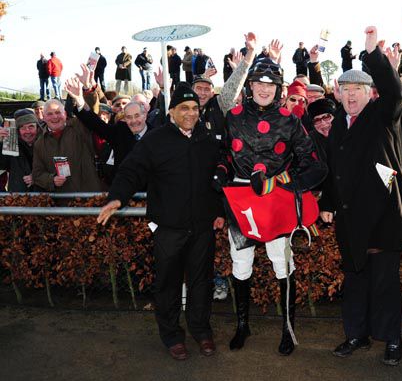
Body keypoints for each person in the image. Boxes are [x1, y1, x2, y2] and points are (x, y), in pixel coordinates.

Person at [96, 83, 225, 361]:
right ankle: (171, 335)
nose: (190, 113)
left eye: (194, 108)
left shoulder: (208, 139)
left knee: (201, 283)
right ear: (171, 112)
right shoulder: (155, 140)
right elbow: (131, 170)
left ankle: (201, 330)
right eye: (184, 108)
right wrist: (117, 198)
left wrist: (220, 211)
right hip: (168, 228)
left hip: (202, 227)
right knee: (167, 283)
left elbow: (219, 177)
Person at [319, 26, 402, 366]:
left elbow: (394, 92)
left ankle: (392, 340)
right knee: (356, 281)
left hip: (382, 218)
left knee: (385, 285)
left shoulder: (383, 114)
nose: (350, 96)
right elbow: (334, 169)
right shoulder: (337, 123)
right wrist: (328, 204)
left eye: (357, 90)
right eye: (346, 90)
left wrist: (373, 55)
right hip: (350, 219)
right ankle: (356, 334)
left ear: (369, 93)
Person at [215, 55, 327, 356]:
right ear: (250, 85)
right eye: (259, 83)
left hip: (277, 199)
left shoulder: (290, 120)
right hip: (240, 200)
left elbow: (314, 165)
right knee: (240, 265)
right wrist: (222, 172)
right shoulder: (233, 116)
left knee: (282, 265)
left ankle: (288, 328)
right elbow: (224, 153)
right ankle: (242, 325)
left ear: (279, 88)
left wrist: (286, 185)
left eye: (271, 84)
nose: (264, 89)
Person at [32, 97, 101, 192]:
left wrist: (88, 90)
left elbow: (91, 112)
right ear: (43, 117)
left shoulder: (78, 126)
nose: (55, 117)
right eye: (49, 114)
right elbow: (37, 174)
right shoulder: (39, 143)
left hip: (89, 197)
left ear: (64, 114)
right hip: (62, 201)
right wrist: (51, 180)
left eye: (58, 112)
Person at [0, 111, 39, 191]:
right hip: (18, 198)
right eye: (23, 128)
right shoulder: (11, 144)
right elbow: (2, 164)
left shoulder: (47, 143)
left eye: (31, 126)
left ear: (37, 128)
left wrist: (38, 177)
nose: (27, 131)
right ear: (18, 131)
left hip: (44, 196)